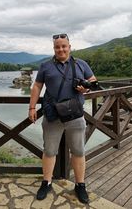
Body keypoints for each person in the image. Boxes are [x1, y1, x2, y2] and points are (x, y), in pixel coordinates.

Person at [28, 33, 97, 204]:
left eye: (64, 46)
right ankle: (47, 182)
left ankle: (80, 185)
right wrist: (32, 107)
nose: (61, 49)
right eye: (57, 47)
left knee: (79, 151)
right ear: (54, 49)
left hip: (75, 115)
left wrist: (86, 88)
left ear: (69, 47)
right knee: (50, 151)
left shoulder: (81, 64)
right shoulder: (45, 66)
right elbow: (37, 86)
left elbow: (93, 80)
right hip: (53, 115)